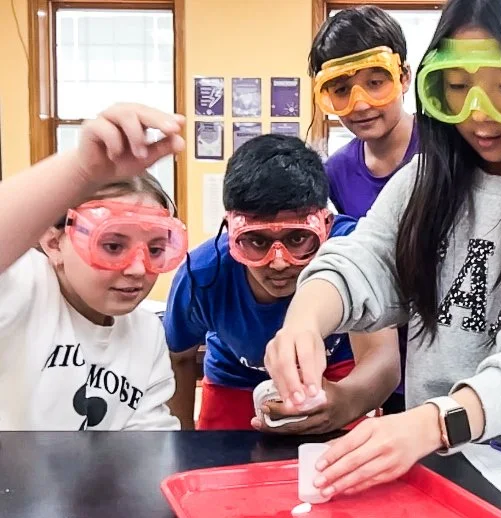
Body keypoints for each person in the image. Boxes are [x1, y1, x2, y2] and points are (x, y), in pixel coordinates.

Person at [264, 0, 501, 498]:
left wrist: (433, 424)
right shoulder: (425, 181)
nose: (478, 115)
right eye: (458, 88)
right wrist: (306, 320)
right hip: (445, 466)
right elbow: (366, 259)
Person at [163, 134, 399, 431]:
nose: (279, 261)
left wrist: (346, 403)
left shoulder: (352, 251)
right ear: (231, 231)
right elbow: (179, 358)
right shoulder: (202, 274)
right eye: (257, 240)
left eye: (297, 238)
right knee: (215, 464)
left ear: (326, 227)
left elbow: (382, 358)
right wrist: (182, 440)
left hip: (337, 373)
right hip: (235, 380)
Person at [0, 103, 187, 430]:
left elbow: (148, 446)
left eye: (156, 249)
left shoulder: (146, 333)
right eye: (112, 246)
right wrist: (81, 169)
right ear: (55, 242)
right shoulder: (24, 287)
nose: (138, 269)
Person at [310, 5, 419, 413]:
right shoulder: (335, 173)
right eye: (341, 90)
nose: (359, 104)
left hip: (453, 360)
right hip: (381, 368)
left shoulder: (446, 154)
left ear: (403, 77)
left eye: (376, 83)